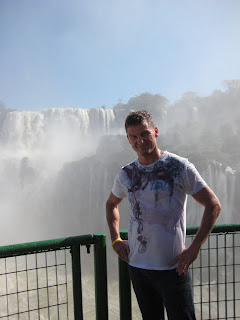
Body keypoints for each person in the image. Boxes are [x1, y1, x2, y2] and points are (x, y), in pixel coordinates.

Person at [106, 110, 221, 320]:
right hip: (138, 267)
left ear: (155, 131)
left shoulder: (179, 167)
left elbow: (213, 205)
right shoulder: (125, 173)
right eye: (134, 136)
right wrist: (115, 240)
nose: (140, 141)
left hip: (173, 268)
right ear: (128, 139)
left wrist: (194, 248)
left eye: (145, 133)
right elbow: (111, 204)